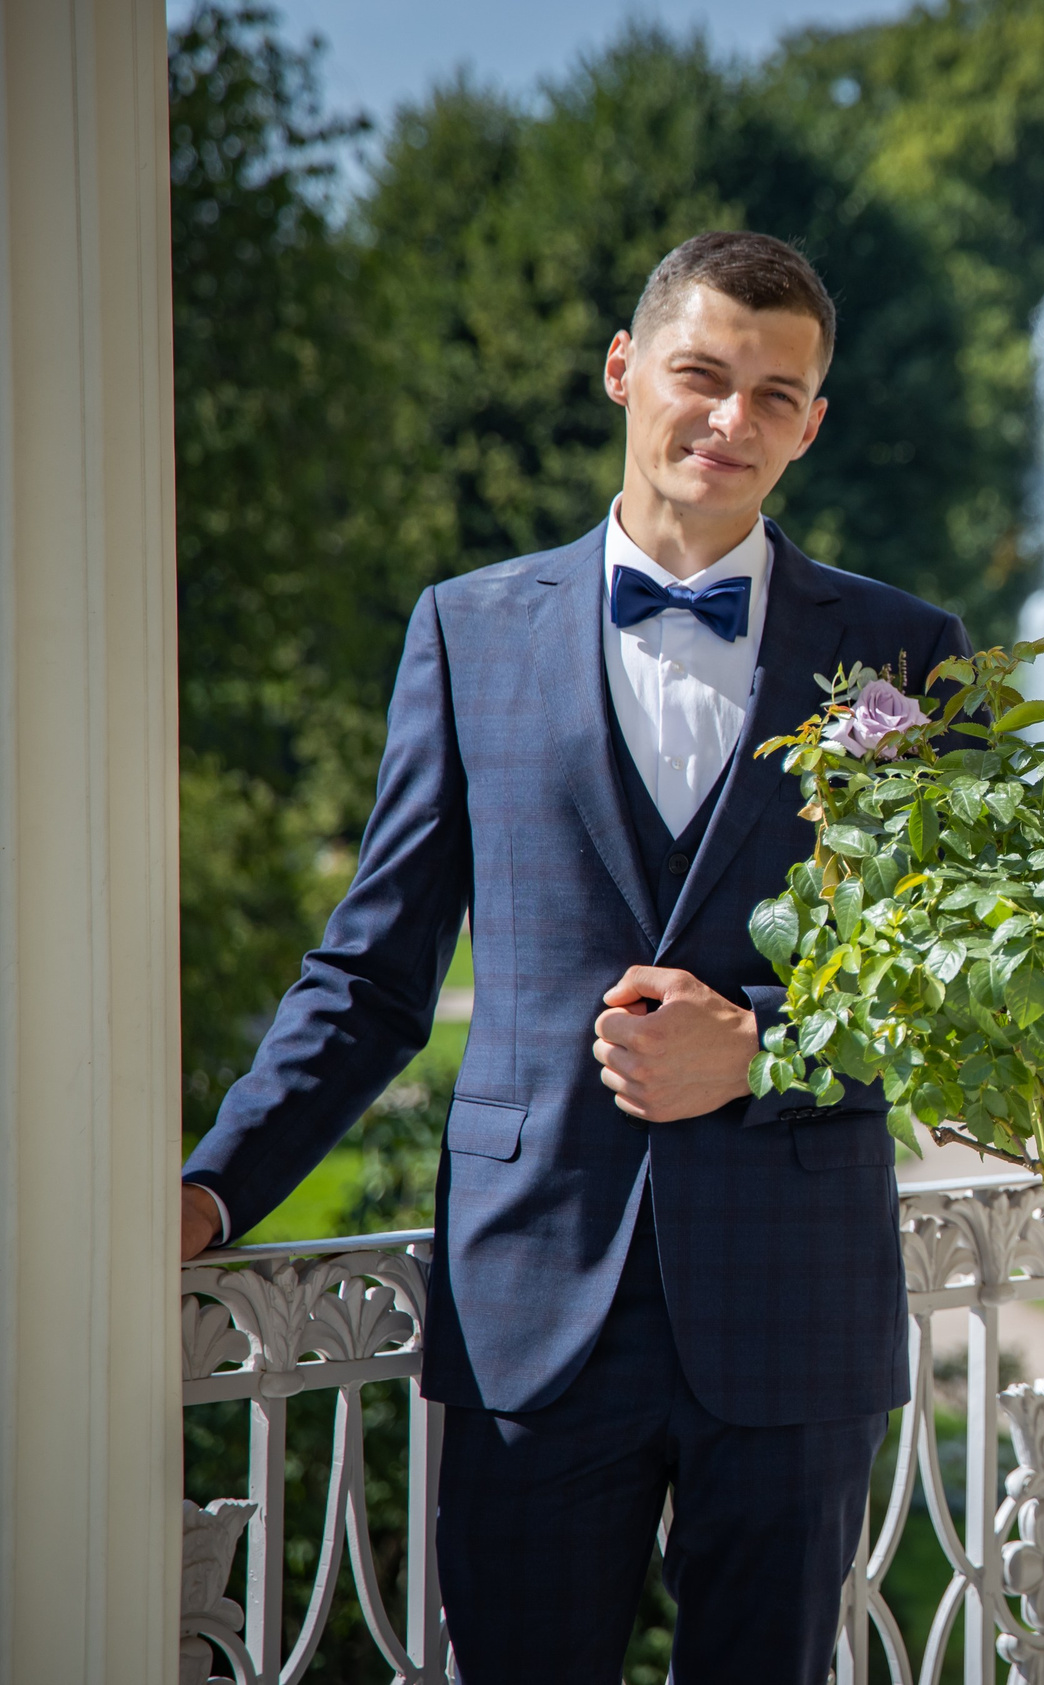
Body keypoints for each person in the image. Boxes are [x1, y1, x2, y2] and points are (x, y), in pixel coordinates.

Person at [178, 231, 970, 1683]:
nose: (730, 420)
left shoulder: (910, 653)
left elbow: (957, 989)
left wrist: (763, 1046)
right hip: (530, 1301)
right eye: (700, 374)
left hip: (795, 1312)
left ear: (812, 424)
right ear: (622, 369)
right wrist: (211, 1188)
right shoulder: (466, 631)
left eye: (774, 395)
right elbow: (373, 976)